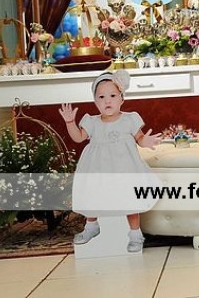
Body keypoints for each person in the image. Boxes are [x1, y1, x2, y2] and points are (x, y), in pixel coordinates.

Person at [59, 70, 162, 253]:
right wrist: (70, 122)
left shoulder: (129, 119)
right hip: (98, 169)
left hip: (124, 168)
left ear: (122, 98)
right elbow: (78, 137)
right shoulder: (92, 122)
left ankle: (135, 234)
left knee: (130, 200)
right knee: (93, 196)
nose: (107, 101)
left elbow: (139, 137)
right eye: (101, 97)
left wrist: (145, 141)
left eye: (113, 96)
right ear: (95, 101)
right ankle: (91, 226)